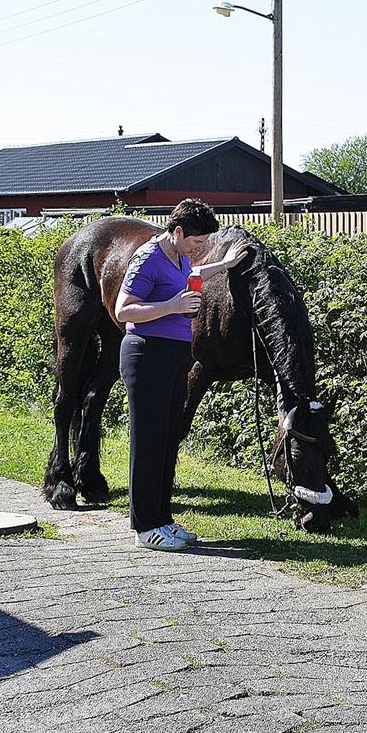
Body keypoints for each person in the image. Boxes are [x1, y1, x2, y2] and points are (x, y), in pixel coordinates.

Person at [114, 199, 245, 551]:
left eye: (204, 244)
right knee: (148, 441)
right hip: (146, 354)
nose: (200, 248)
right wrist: (172, 307)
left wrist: (227, 263)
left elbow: (193, 276)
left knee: (168, 437)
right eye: (197, 242)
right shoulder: (148, 258)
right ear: (177, 232)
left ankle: (163, 519)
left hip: (173, 355)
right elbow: (123, 308)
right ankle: (144, 527)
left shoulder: (180, 256)